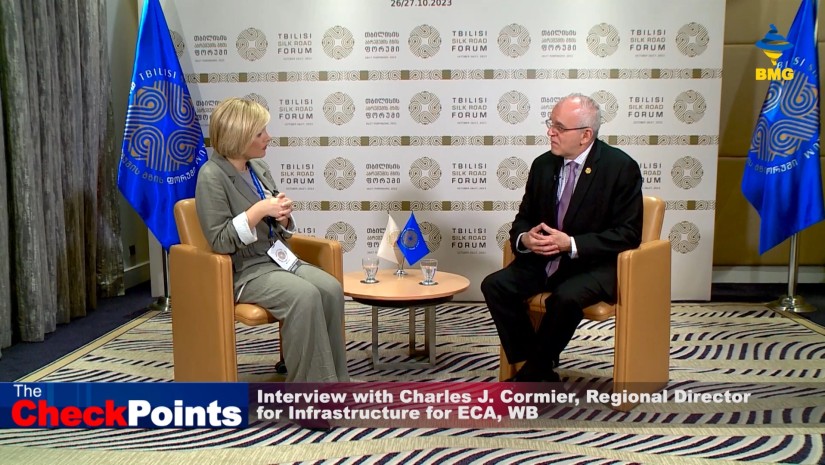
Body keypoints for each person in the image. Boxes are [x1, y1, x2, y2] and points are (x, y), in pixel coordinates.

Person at [481, 93, 643, 382]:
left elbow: (628, 234)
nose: (550, 132)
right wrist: (525, 239)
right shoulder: (543, 165)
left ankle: (530, 376)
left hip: (592, 265)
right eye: (550, 124)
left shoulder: (620, 168)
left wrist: (572, 244)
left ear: (585, 135)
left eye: (559, 127)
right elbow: (523, 218)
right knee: (495, 285)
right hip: (545, 259)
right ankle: (536, 367)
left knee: (565, 298)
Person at [195, 97, 349, 384]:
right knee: (304, 296)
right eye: (259, 133)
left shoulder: (258, 168)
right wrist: (257, 211)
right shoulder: (211, 176)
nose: (268, 137)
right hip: (244, 271)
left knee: (330, 289)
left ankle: (335, 382)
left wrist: (283, 218)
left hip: (278, 258)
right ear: (238, 136)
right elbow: (220, 241)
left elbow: (277, 226)